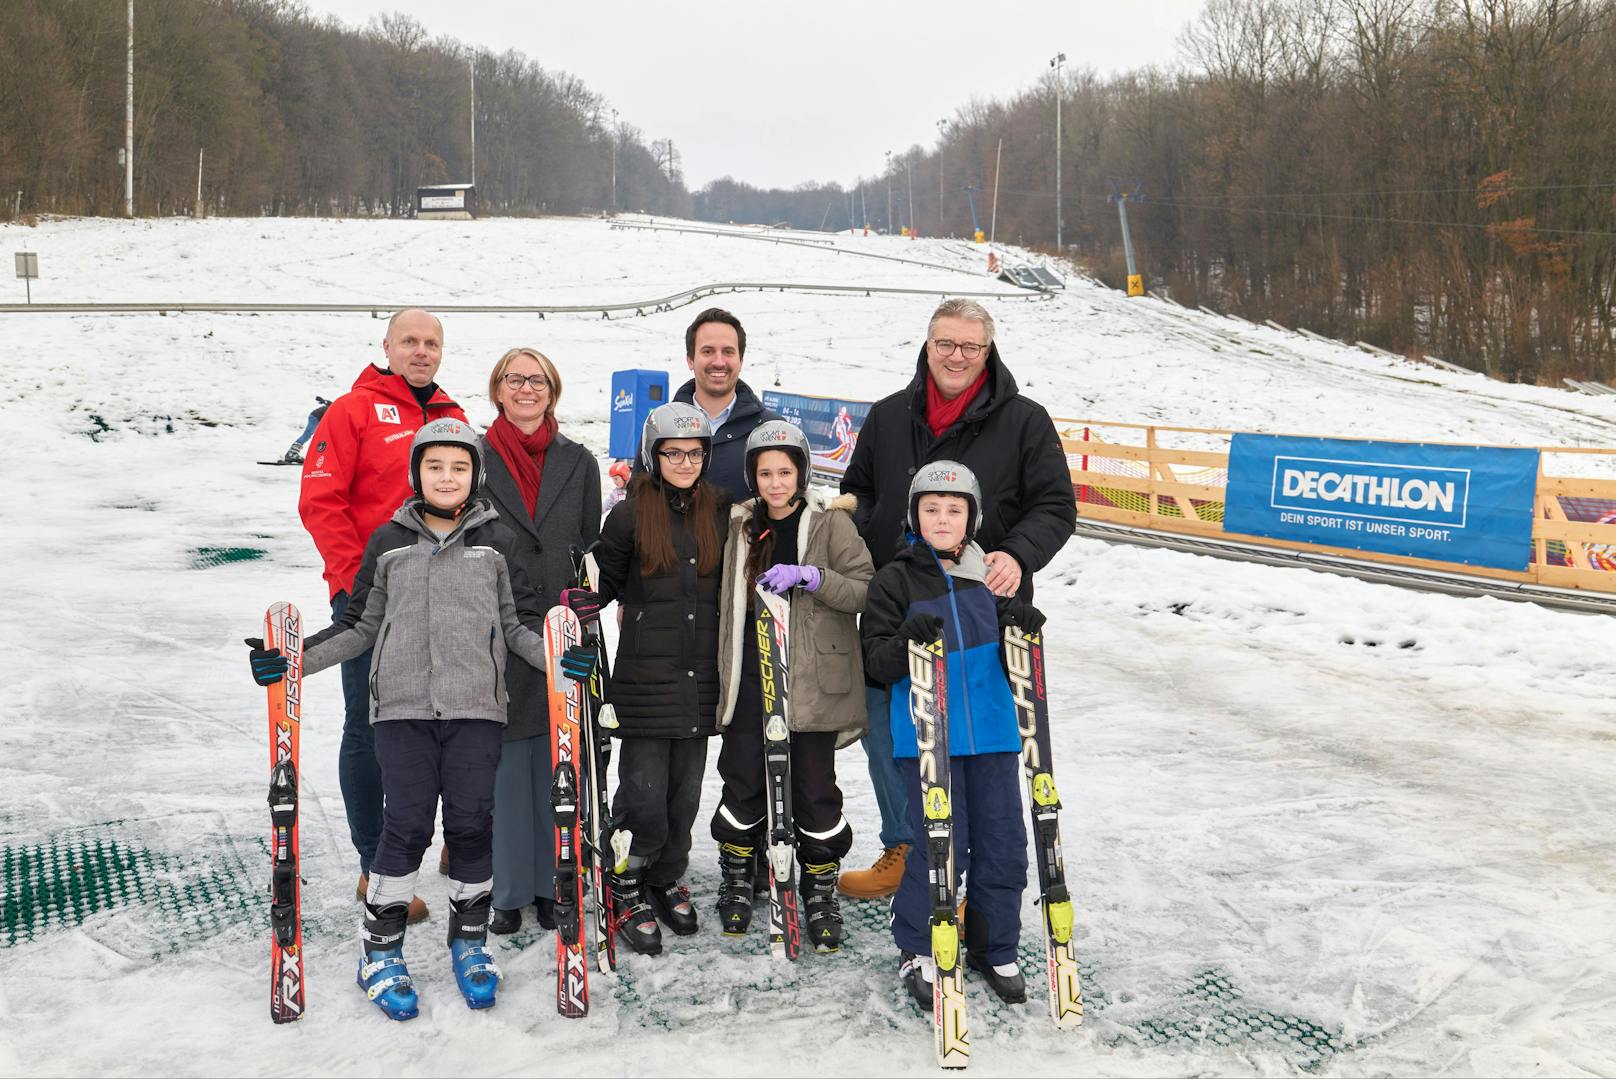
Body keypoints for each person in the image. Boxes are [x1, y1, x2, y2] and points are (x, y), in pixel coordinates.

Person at [245, 419, 600, 1020]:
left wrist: (562, 659)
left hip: (476, 711)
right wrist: (293, 663)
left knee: (470, 828)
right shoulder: (388, 541)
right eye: (434, 466)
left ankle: (470, 944)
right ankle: (380, 951)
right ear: (416, 474)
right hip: (402, 713)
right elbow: (359, 628)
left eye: (459, 467)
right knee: (404, 830)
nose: (446, 477)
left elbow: (517, 629)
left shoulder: (496, 544)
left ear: (475, 475)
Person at [837, 298, 1076, 899]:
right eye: (946, 343)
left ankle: (967, 876)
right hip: (900, 603)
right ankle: (910, 849)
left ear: (987, 352)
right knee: (892, 733)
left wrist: (1017, 555)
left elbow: (1056, 506)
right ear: (927, 344)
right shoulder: (890, 416)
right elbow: (859, 490)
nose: (957, 356)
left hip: (981, 609)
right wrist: (868, 552)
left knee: (977, 740)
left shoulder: (1025, 420)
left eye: (970, 346)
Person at [298, 308, 467, 921]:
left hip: (445, 597)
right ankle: (375, 866)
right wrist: (354, 583)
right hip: (371, 601)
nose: (421, 352)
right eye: (410, 341)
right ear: (387, 346)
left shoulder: (453, 417)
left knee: (452, 718)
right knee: (368, 727)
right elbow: (321, 502)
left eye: (431, 343)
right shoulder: (353, 410)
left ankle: (458, 840)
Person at [859, 461, 1044, 1008]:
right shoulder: (894, 579)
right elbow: (874, 662)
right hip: (927, 741)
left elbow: (1013, 655)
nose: (943, 519)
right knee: (941, 849)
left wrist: (1022, 627)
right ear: (915, 516)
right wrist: (905, 644)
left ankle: (994, 944)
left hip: (991, 734)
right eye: (932, 509)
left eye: (954, 510)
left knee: (1004, 847)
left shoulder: (989, 578)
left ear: (972, 518)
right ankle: (918, 946)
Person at [711, 420, 874, 953]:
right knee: (741, 776)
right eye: (765, 473)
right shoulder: (738, 526)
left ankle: (819, 887)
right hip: (753, 675)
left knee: (813, 785)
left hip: (810, 682)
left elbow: (864, 590)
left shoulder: (830, 525)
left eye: (785, 472)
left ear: (801, 473)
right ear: (752, 477)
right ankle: (740, 873)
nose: (776, 482)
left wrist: (814, 578)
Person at [581, 402, 728, 956]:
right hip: (645, 679)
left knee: (685, 795)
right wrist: (584, 598)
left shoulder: (720, 510)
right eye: (674, 453)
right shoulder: (628, 514)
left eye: (695, 453)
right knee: (642, 793)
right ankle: (625, 880)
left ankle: (666, 876)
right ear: (654, 454)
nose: (685, 462)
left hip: (699, 682)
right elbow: (605, 585)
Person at [480, 347, 602, 936]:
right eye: (515, 379)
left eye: (538, 380)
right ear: (498, 390)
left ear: (552, 391)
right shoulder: (473, 458)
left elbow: (587, 542)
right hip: (496, 625)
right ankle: (507, 888)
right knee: (506, 762)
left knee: (559, 758)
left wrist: (583, 602)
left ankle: (556, 880)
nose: (526, 389)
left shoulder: (577, 461)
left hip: (558, 622)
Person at [671, 307, 777, 498]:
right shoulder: (661, 428)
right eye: (708, 351)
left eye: (728, 352)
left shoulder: (773, 431)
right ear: (690, 360)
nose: (719, 362)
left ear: (741, 360)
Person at [276, 396, 331, 465]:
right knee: (307, 435)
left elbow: (329, 403)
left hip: (318, 417)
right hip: (316, 417)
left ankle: (293, 453)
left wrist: (323, 401)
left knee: (320, 437)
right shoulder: (339, 407)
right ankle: (291, 454)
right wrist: (323, 401)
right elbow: (329, 403)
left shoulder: (339, 407)